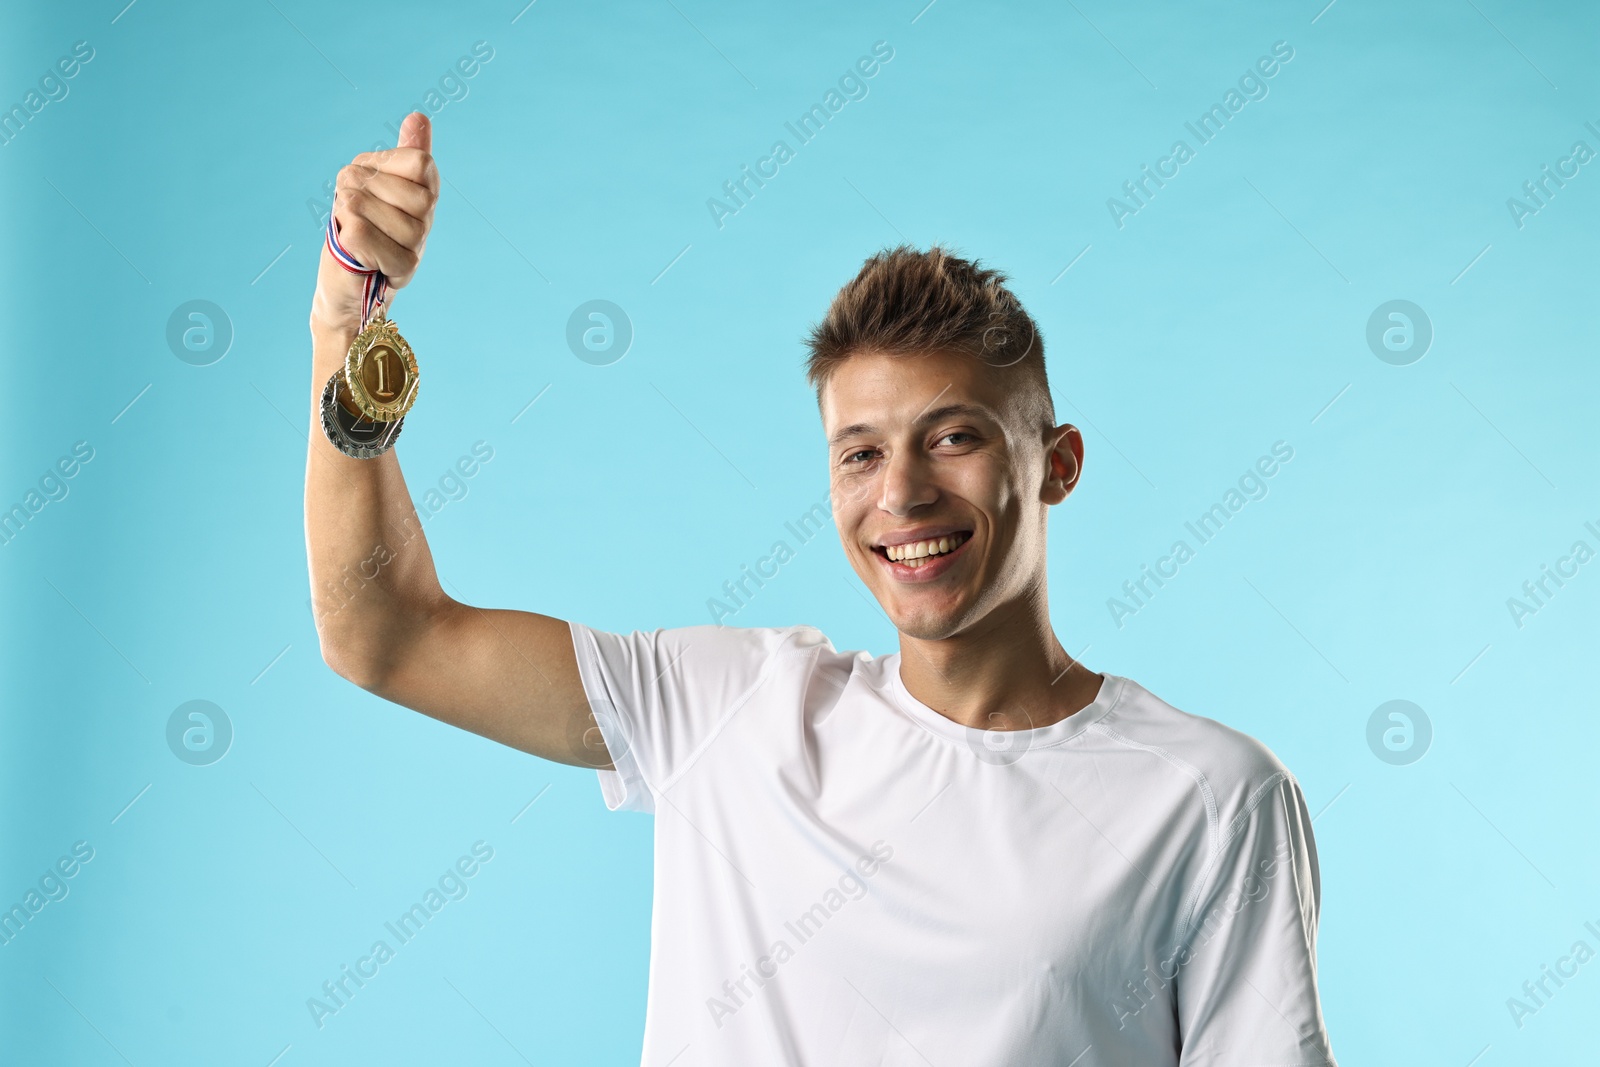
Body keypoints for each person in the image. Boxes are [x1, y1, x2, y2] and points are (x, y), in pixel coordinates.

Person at [306, 111, 1338, 1066]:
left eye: (952, 436)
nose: (902, 493)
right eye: (858, 453)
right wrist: (344, 326)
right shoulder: (724, 707)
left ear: (1056, 463)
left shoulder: (1210, 797)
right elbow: (383, 632)